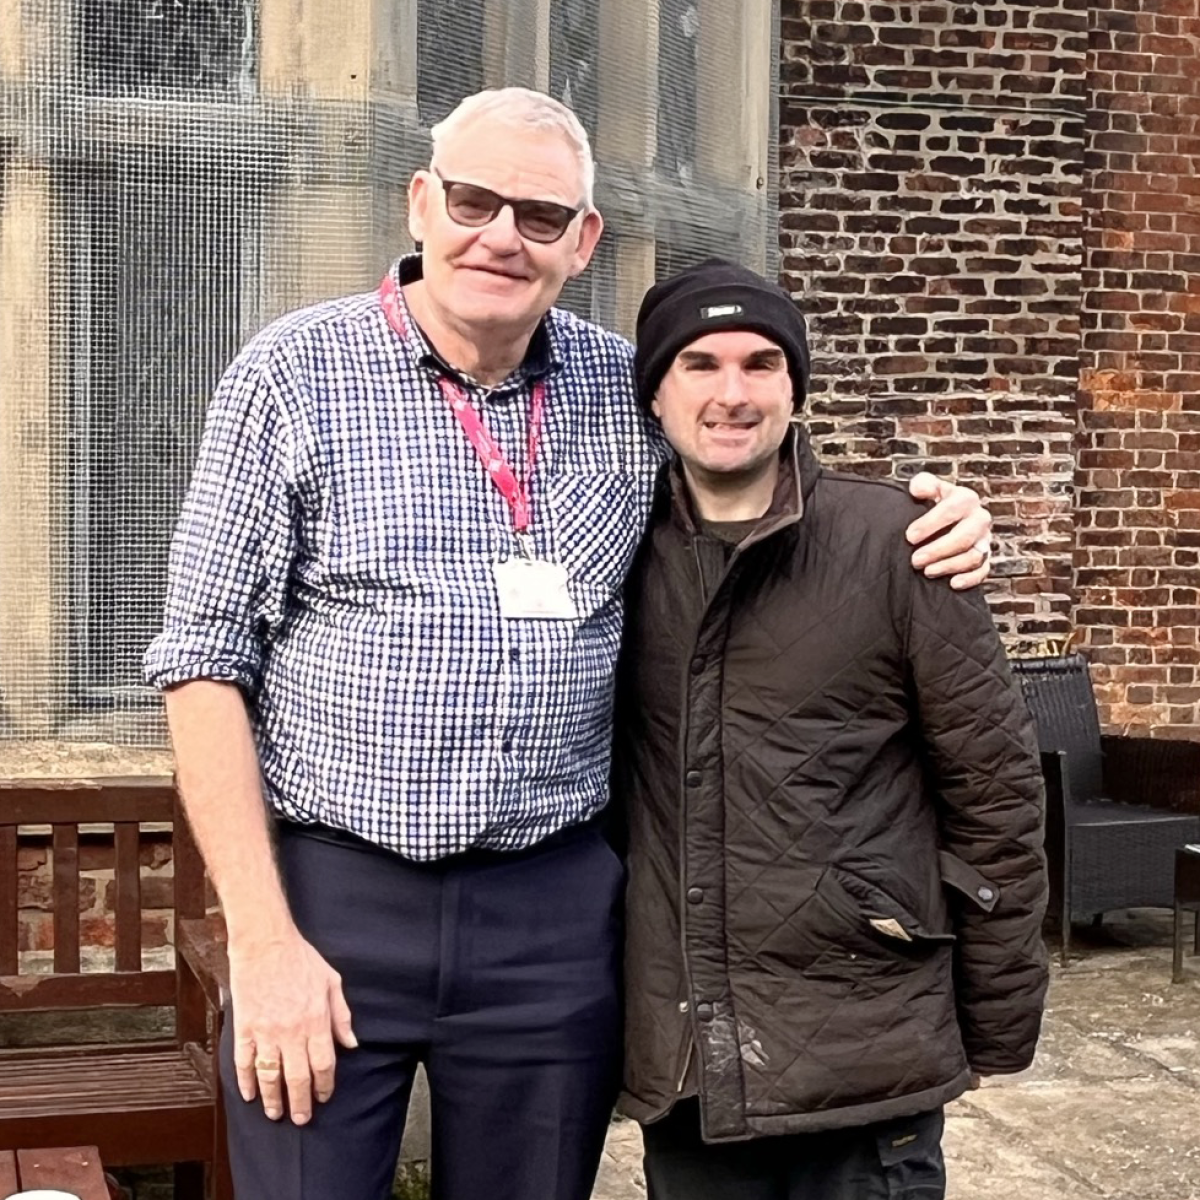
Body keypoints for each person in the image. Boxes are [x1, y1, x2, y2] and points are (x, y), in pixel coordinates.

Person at [145, 88, 995, 1200]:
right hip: (334, 900)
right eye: (471, 199)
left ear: (584, 242)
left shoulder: (622, 390)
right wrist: (261, 943)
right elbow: (202, 660)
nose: (500, 234)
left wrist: (940, 515)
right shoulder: (290, 377)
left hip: (550, 915)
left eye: (540, 215)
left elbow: (755, 462)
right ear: (419, 204)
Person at [613, 258, 1049, 1200]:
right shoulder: (616, 560)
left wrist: (998, 1020)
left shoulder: (900, 546)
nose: (733, 393)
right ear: (654, 391)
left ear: (795, 387)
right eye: (700, 363)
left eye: (762, 363)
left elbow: (997, 795)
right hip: (692, 1071)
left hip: (866, 1065)